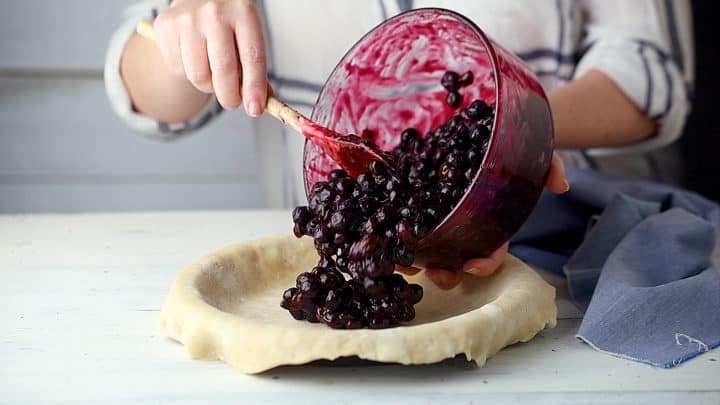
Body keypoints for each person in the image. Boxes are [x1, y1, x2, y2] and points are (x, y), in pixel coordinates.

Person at [105, 0, 693, 289]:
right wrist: (185, 29)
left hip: (577, 255)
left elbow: (651, 74)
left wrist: (513, 139)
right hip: (349, 255)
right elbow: (147, 98)